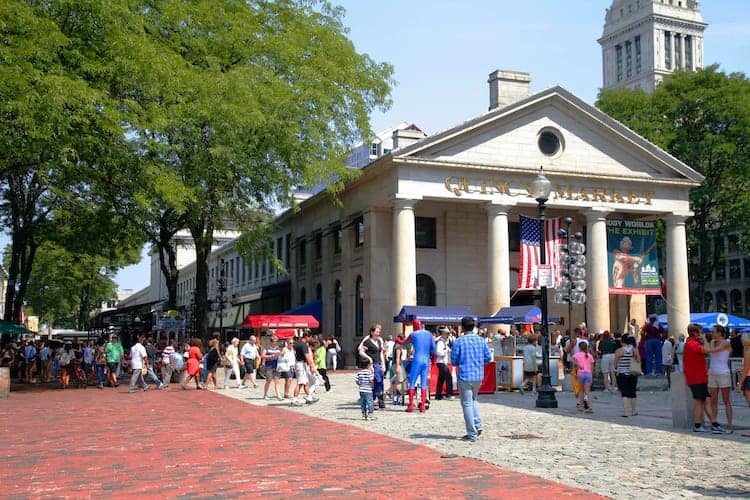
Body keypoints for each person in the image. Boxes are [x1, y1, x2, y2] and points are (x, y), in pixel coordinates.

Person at [451, 316, 491, 442]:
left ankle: (471, 433)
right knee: (473, 400)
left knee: (467, 403)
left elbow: (454, 360)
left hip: (465, 375)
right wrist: (478, 361)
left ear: (462, 327)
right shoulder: (481, 340)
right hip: (478, 375)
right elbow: (488, 358)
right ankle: (477, 424)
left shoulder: (459, 341)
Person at [683, 324, 726, 433]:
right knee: (700, 401)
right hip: (696, 377)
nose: (702, 334)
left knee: (705, 400)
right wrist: (705, 339)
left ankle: (714, 423)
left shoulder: (691, 343)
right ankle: (698, 425)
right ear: (695, 333)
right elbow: (707, 350)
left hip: (699, 377)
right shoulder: (692, 344)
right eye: (700, 332)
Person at [400, 319, 436, 413]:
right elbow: (434, 349)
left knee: (412, 382)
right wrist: (434, 360)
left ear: (414, 326)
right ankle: (423, 406)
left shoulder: (413, 334)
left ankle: (411, 405)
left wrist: (397, 340)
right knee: (424, 383)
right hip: (426, 360)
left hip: (417, 359)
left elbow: (403, 342)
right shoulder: (429, 334)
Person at [707, 326, 733, 433]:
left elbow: (712, 351)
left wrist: (704, 340)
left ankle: (730, 426)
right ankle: (715, 423)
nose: (711, 333)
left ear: (719, 333)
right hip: (712, 373)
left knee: (726, 400)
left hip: (723, 373)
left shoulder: (726, 342)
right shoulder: (713, 341)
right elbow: (709, 350)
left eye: (713, 332)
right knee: (713, 401)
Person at [358, 324, 387, 409]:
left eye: (379, 332)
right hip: (372, 365)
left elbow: (381, 353)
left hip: (378, 364)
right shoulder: (367, 341)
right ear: (372, 332)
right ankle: (373, 400)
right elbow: (361, 351)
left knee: (380, 382)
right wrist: (369, 358)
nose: (378, 333)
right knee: (375, 382)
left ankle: (380, 401)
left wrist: (383, 364)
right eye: (377, 332)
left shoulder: (378, 341)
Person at [291, 331, 318, 406]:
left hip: (298, 363)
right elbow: (307, 356)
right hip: (301, 365)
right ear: (307, 337)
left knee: (305, 382)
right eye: (310, 337)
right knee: (300, 383)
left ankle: (309, 397)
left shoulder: (296, 343)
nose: (310, 339)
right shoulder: (304, 345)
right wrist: (312, 366)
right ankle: (294, 400)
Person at [572, 341, 595, 413]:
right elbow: (592, 367)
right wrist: (591, 374)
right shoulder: (590, 356)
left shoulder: (577, 355)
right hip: (588, 374)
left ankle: (581, 406)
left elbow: (572, 359)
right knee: (588, 391)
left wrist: (578, 365)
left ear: (579, 348)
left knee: (581, 391)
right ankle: (590, 406)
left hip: (581, 374)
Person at [435, 326, 454, 400]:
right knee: (448, 377)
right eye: (447, 333)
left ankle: (438, 395)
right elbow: (438, 352)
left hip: (442, 362)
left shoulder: (444, 341)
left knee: (441, 379)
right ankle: (449, 394)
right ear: (443, 333)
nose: (448, 335)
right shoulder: (440, 342)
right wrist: (446, 351)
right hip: (441, 362)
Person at [261, 336, 282, 400]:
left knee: (277, 381)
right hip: (269, 366)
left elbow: (281, 355)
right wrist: (270, 356)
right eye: (275, 341)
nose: (276, 343)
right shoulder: (267, 348)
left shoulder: (278, 348)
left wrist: (281, 355)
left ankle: (278, 395)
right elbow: (262, 356)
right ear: (271, 341)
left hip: (277, 366)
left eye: (276, 341)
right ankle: (265, 395)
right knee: (269, 380)